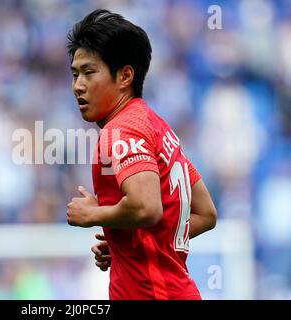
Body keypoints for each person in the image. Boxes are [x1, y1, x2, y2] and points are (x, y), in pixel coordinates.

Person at [65, 9, 217, 300]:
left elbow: (147, 208)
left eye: (88, 72)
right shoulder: (157, 128)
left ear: (124, 76)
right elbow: (205, 213)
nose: (78, 86)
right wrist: (127, 243)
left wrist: (92, 214)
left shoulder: (121, 129)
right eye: (74, 74)